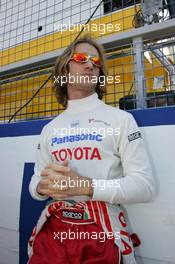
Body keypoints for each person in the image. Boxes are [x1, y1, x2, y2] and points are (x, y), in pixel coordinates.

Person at [28, 34, 156, 264]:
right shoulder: (50, 128)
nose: (90, 65)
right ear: (64, 70)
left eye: (96, 63)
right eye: (81, 58)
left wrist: (85, 186)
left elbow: (145, 186)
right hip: (53, 234)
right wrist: (42, 186)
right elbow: (35, 183)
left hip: (101, 233)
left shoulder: (121, 120)